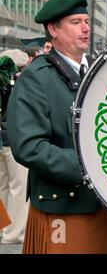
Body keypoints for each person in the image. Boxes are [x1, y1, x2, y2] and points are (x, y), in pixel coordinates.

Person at [7, 0, 107, 254]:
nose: (85, 28)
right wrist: (89, 167)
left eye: (86, 21)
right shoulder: (36, 78)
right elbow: (28, 146)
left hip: (102, 205)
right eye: (75, 22)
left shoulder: (96, 73)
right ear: (53, 30)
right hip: (63, 208)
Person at [0, 49, 30, 244]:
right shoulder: (19, 83)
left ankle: (2, 228)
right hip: (13, 139)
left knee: (1, 187)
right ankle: (14, 234)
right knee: (18, 188)